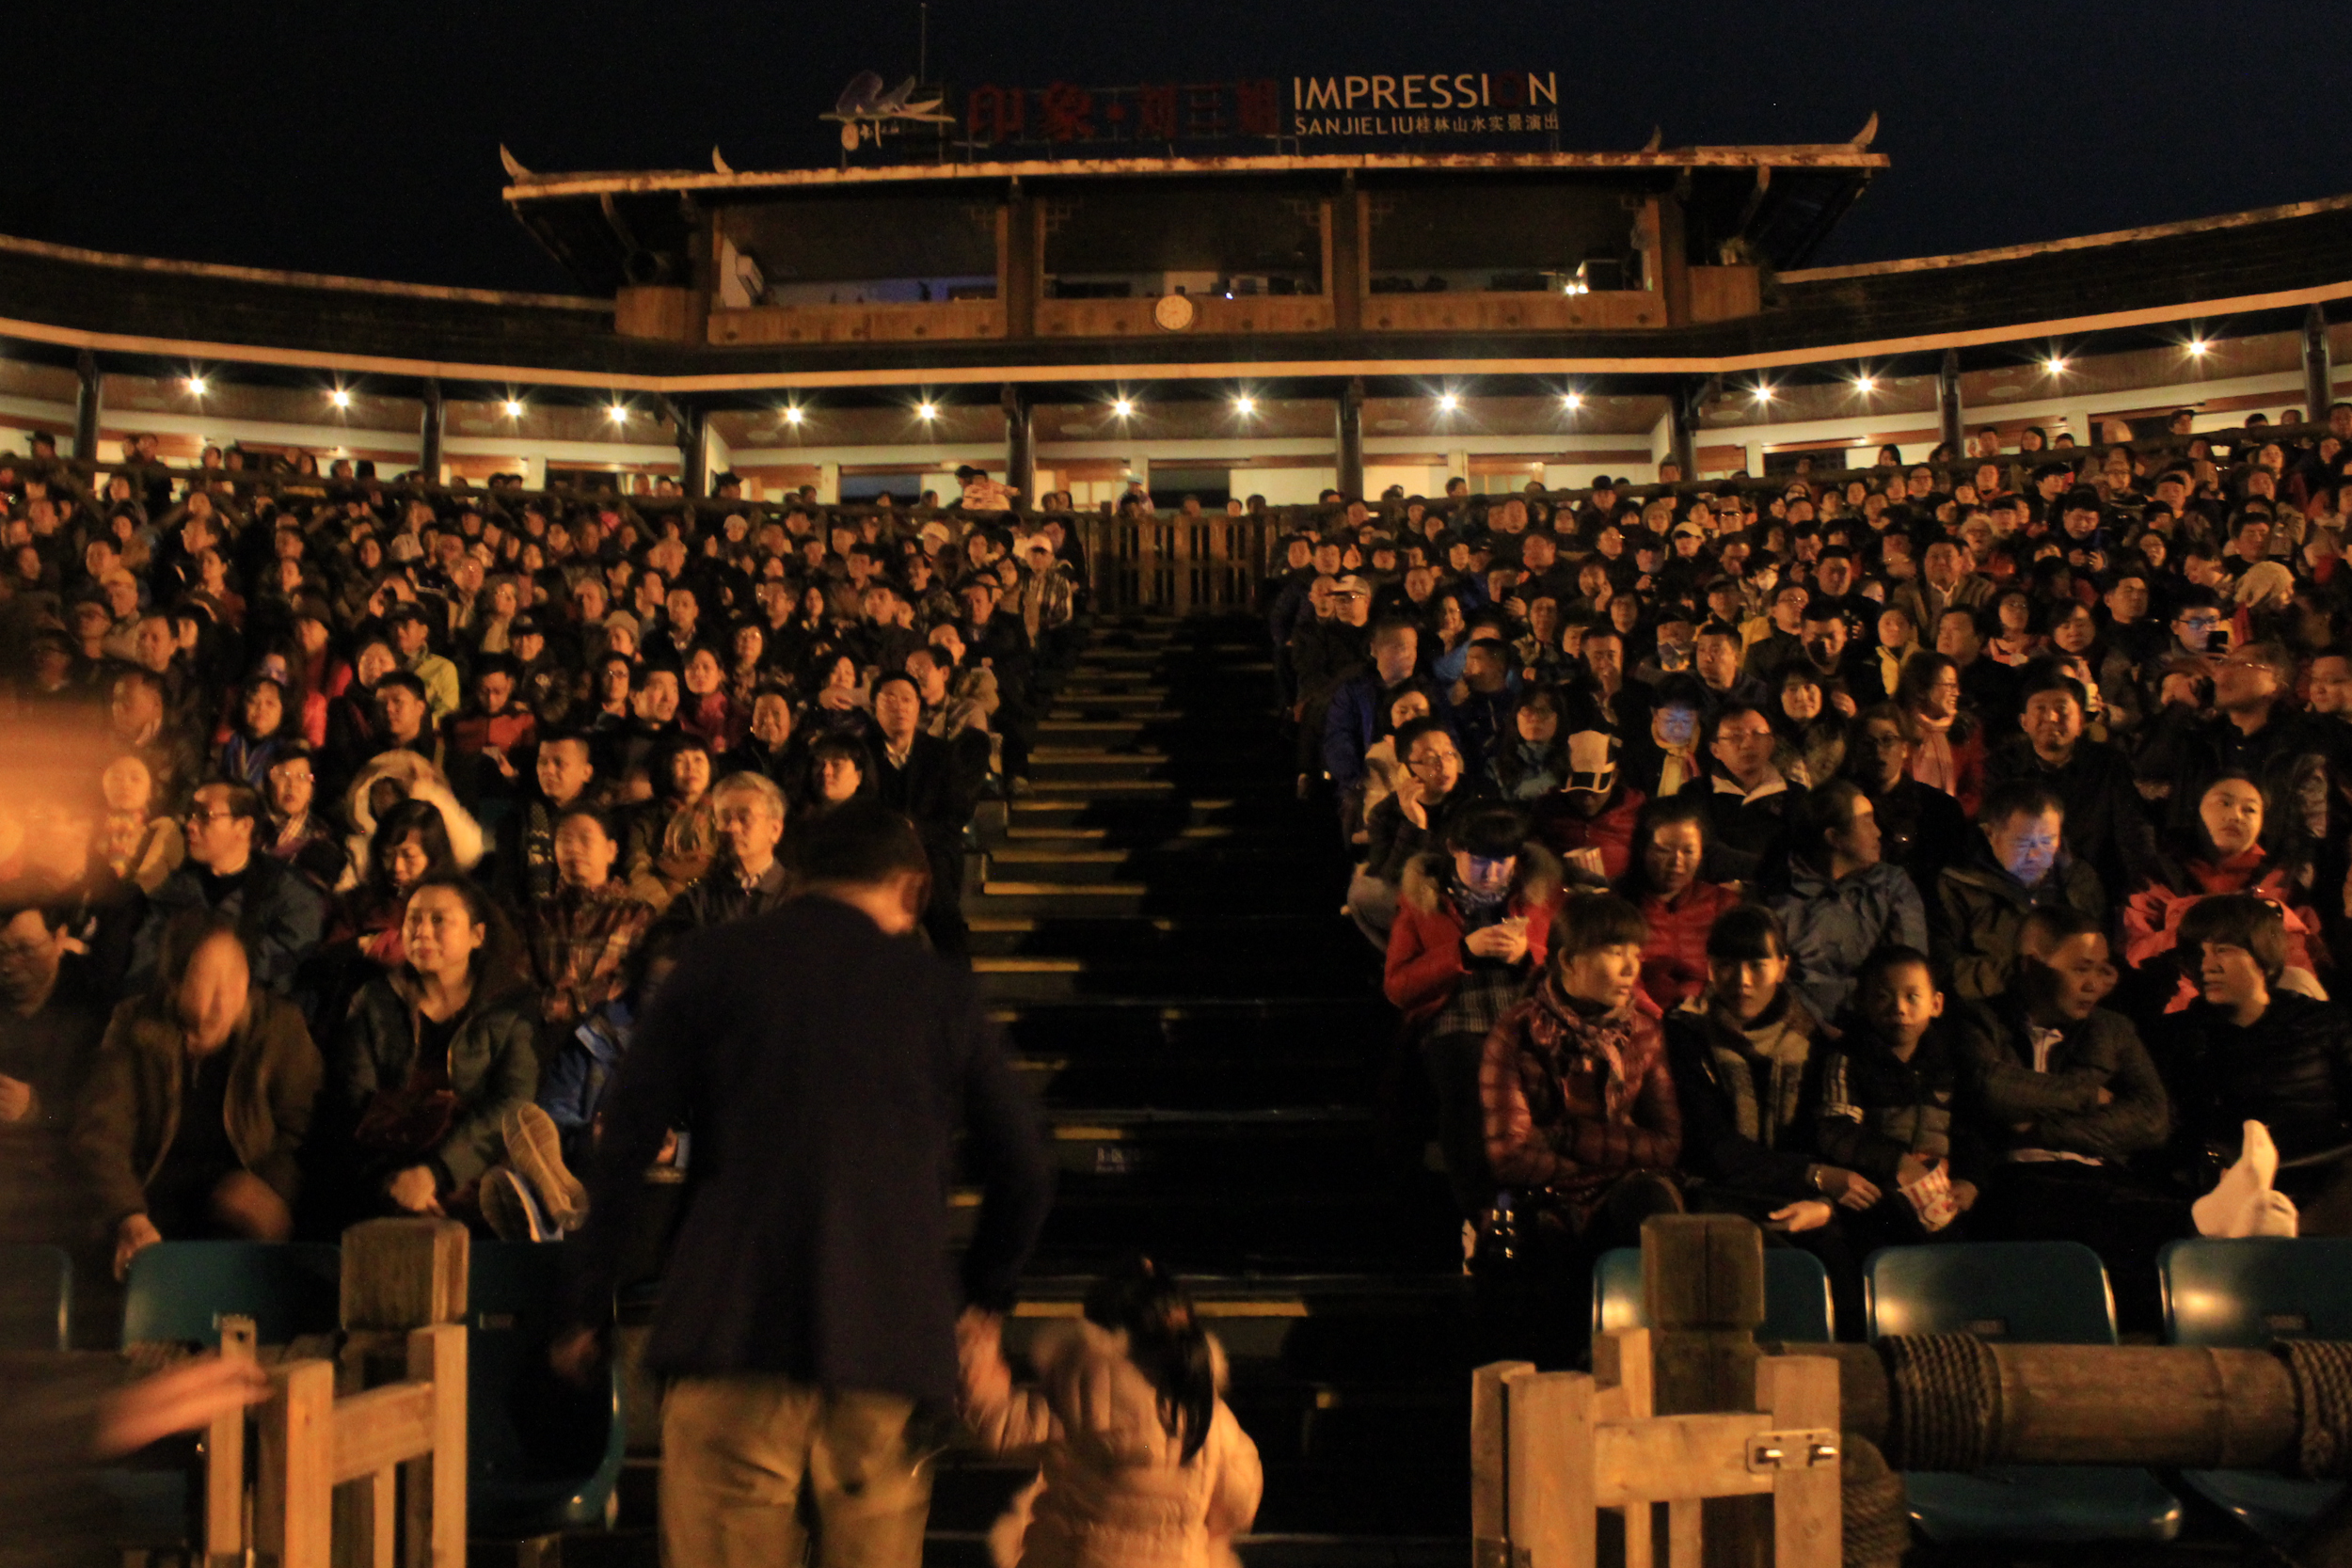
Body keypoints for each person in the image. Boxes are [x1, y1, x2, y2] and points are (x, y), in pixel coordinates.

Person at [554, 802, 1055, 1568]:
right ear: (914, 890)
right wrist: (984, 1307)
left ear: (798, 880)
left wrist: (590, 1302)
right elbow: (1023, 1163)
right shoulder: (935, 991)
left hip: (731, 1339)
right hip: (886, 1357)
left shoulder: (717, 964)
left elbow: (623, 1143)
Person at [1478, 892, 1684, 1365]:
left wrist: (1571, 1138)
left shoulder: (1644, 1032)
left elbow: (1667, 1143)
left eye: (1635, 953)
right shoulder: (1517, 1033)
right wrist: (1605, 1162)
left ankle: (1663, 1365)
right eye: (1615, 953)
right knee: (1538, 1253)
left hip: (1616, 1194)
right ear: (1569, 960)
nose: (1632, 968)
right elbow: (1510, 1153)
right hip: (1546, 1200)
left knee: (1652, 1205)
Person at [1953, 907, 2183, 1325]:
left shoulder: (2112, 1029)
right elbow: (1991, 1089)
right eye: (2080, 970)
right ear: (2031, 966)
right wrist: (2089, 1094)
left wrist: (2043, 1127)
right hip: (2015, 1179)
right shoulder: (1981, 1019)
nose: (2093, 985)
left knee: (2173, 1233)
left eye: (2100, 970)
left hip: (2099, 1176)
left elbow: (2152, 1118)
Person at [956, 1256, 1262, 1568]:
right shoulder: (1210, 1417)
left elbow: (999, 1426)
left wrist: (977, 1348)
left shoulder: (1078, 1394)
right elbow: (1240, 1503)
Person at [73, 913, 322, 1280]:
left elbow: (302, 1128)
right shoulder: (135, 1026)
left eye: (236, 977)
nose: (226, 999)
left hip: (239, 1210)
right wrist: (129, 1215)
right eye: (208, 982)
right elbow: (101, 1133)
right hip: (154, 1204)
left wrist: (271, 1189)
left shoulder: (277, 1029)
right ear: (174, 984)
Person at [1386, 806, 1560, 1216]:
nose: (1493, 873)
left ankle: (1539, 1201)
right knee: (1468, 1081)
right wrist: (1462, 952)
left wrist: (1528, 955)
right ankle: (1479, 1211)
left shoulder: (1536, 894)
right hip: (1456, 1015)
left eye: (1503, 861)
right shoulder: (1424, 900)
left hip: (1525, 1012)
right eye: (1480, 860)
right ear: (1454, 850)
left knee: (1543, 1080)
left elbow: (1567, 964)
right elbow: (1398, 986)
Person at [333, 876, 537, 1224]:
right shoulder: (375, 1000)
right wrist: (396, 1179)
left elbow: (512, 1104)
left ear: (477, 935)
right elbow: (356, 1101)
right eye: (413, 919)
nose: (422, 931)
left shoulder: (511, 1005)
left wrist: (437, 1173)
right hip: (389, 1170)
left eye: (439, 920)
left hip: (479, 1170)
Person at [2164, 895, 2352, 1234]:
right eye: (2199, 953)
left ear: (2263, 956)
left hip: (2322, 1181)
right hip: (2224, 1187)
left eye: (2223, 950)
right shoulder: (2180, 1037)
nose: (2207, 966)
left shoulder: (2326, 1025)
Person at [1814, 947, 1986, 1251]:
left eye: (1912, 997)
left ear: (1936, 1004)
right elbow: (1836, 1129)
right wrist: (1899, 1163)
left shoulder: (1951, 1061)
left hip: (1942, 1198)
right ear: (1861, 1002)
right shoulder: (1848, 1057)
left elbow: (1973, 1127)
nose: (1899, 1008)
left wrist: (1971, 1180)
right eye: (1882, 997)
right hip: (1876, 1198)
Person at [128, 780, 326, 996]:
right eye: (191, 814)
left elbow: (276, 965)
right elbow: (144, 964)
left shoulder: (290, 894)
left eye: (205, 816)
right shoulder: (177, 887)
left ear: (243, 826)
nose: (191, 825)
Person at [1931, 781, 2105, 1002]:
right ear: (1990, 834)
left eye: (2048, 840)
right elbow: (1944, 970)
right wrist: (2022, 974)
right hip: (1992, 1010)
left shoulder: (2076, 881)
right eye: (2023, 843)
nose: (2036, 855)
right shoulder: (1958, 886)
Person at [1771, 781, 1927, 1023]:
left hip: (1879, 1023)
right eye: (1866, 821)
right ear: (1834, 838)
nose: (1877, 832)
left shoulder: (1890, 886)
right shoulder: (1782, 896)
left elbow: (1907, 968)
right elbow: (1778, 979)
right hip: (1801, 1027)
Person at [1615, 797, 1739, 1013]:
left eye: (1688, 851)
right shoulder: (1618, 904)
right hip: (1638, 1018)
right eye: (1664, 850)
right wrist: (1655, 1014)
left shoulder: (1722, 903)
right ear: (1643, 850)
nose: (1676, 862)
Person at [656, 771, 795, 936]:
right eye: (724, 818)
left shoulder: (797, 896)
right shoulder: (697, 898)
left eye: (744, 818)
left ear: (775, 829)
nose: (732, 828)